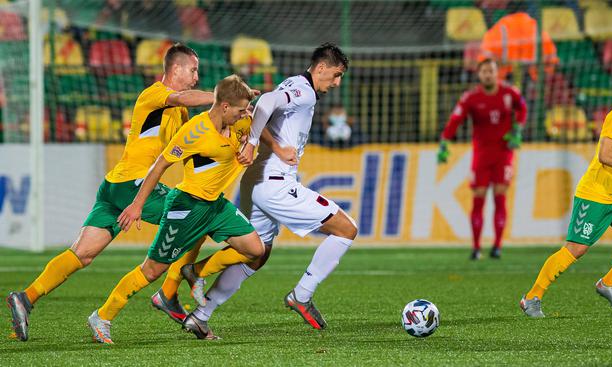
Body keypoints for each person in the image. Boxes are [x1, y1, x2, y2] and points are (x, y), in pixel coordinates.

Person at [6, 43, 215, 342]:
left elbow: (190, 146)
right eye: (193, 70)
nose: (196, 77)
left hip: (115, 186)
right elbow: (184, 96)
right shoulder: (154, 94)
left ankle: (25, 298)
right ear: (176, 69)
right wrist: (221, 97)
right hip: (133, 186)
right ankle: (166, 295)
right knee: (198, 218)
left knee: (83, 254)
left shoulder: (179, 111)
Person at [171, 43, 355, 338]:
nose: (337, 83)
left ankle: (200, 314)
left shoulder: (294, 85)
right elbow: (266, 101)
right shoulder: (304, 91)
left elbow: (259, 110)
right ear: (321, 68)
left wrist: (267, 141)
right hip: (276, 184)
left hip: (255, 182)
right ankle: (302, 295)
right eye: (336, 75)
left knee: (256, 255)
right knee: (346, 229)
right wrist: (256, 142)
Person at [87, 75, 264, 344]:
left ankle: (194, 271)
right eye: (241, 110)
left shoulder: (241, 122)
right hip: (186, 207)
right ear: (225, 106)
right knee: (152, 270)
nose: (245, 115)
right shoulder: (195, 132)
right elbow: (159, 165)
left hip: (215, 206)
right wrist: (136, 205)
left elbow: (257, 128)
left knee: (255, 249)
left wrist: (251, 147)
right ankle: (102, 316)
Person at [520, 67, 612, 318]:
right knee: (576, 249)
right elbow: (605, 156)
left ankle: (609, 283)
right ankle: (532, 297)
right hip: (594, 194)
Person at [438, 58, 527, 260]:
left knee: (500, 197)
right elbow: (455, 120)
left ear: (497, 73)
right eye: (484, 71)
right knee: (478, 198)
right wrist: (445, 141)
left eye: (491, 71)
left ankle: (497, 246)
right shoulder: (471, 97)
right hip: (482, 154)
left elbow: (522, 108)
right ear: (479, 75)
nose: (488, 74)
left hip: (504, 153)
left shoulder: (510, 92)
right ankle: (476, 247)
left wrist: (518, 129)